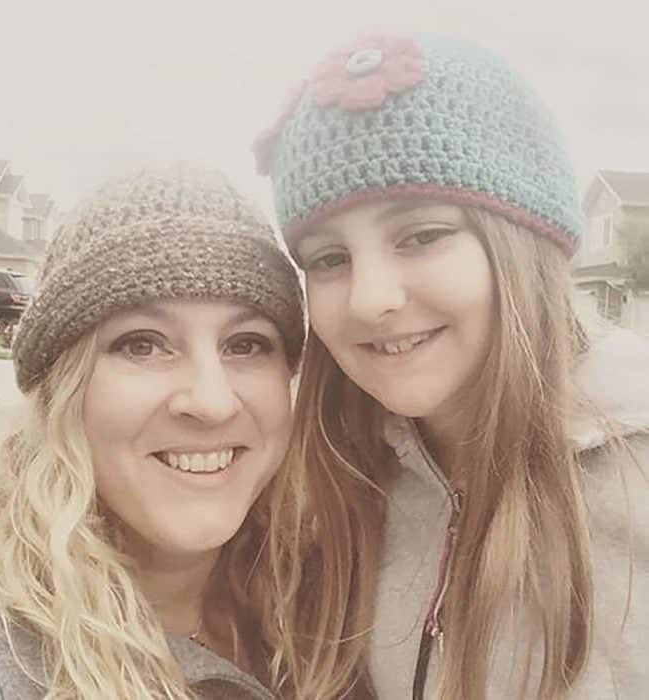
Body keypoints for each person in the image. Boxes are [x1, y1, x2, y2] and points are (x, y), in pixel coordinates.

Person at [255, 33, 649, 699]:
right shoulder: (329, 488)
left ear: (525, 242)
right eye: (328, 259)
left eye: (422, 236)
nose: (372, 298)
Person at [0, 162, 369, 699]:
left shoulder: (338, 594)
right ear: (63, 388)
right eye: (142, 344)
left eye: (245, 344)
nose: (212, 403)